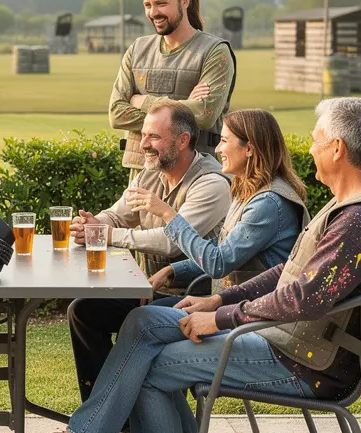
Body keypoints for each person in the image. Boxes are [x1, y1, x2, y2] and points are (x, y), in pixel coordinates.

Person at [4, 97, 361, 433]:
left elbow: (301, 299)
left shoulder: (360, 221)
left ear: (338, 149)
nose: (309, 149)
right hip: (288, 341)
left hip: (305, 362)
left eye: (316, 140)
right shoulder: (350, 209)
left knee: (151, 365)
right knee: (142, 321)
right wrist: (218, 298)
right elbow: (287, 273)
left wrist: (218, 318)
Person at [67, 99, 229, 433]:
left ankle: (100, 432)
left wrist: (107, 236)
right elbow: (117, 214)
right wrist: (94, 223)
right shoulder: (149, 173)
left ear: (183, 140)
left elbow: (170, 241)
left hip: (198, 298)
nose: (143, 144)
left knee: (129, 320)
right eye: (143, 135)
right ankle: (113, 428)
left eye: (153, 136)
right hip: (151, 291)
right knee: (84, 310)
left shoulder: (211, 184)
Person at [132, 108, 310, 307]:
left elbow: (218, 263)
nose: (217, 149)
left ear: (249, 149)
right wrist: (173, 271)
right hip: (232, 304)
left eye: (224, 141)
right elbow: (225, 246)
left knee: (142, 317)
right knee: (130, 307)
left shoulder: (267, 203)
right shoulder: (248, 189)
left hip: (249, 311)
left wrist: (168, 215)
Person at [110, 0, 237, 175]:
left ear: (184, 1)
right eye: (148, 5)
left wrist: (142, 101)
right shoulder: (137, 49)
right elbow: (116, 114)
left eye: (161, 3)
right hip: (142, 174)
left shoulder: (215, 52)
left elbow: (204, 115)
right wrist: (184, 108)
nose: (153, 12)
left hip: (195, 174)